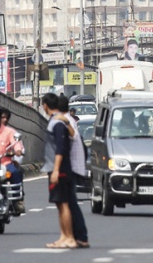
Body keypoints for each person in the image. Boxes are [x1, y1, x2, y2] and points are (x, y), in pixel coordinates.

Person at [49, 94, 90, 248]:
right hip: (72, 166)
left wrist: (56, 169)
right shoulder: (68, 120)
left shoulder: (63, 122)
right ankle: (74, 236)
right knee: (70, 203)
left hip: (69, 167)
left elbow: (61, 147)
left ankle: (78, 236)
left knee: (69, 204)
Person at [41, 93, 77, 249]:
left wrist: (56, 170)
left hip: (60, 169)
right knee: (59, 204)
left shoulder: (57, 123)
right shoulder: (57, 121)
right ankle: (63, 236)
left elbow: (60, 148)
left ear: (45, 105)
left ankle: (69, 238)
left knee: (63, 204)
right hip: (57, 168)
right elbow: (72, 134)